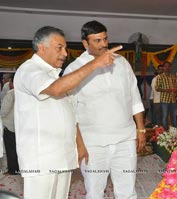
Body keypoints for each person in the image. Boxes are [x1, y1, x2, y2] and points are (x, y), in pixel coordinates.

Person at [14, 26, 121, 199]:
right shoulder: (29, 70)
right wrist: (95, 63)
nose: (64, 53)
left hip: (62, 155)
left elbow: (70, 113)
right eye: (59, 48)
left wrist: (79, 144)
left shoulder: (55, 76)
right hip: (41, 159)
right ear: (42, 47)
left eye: (65, 48)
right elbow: (55, 90)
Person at [63, 20, 145, 199]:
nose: (104, 44)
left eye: (105, 39)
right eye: (97, 41)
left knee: (128, 191)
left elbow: (134, 97)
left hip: (125, 139)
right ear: (85, 43)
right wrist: (79, 145)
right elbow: (69, 112)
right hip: (93, 143)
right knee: (94, 192)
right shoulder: (75, 69)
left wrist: (140, 128)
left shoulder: (121, 63)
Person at [0, 74, 19, 175]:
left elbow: (4, 110)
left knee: (10, 148)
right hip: (19, 125)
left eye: (10, 82)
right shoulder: (23, 93)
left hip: (9, 125)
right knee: (17, 148)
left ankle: (12, 170)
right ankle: (18, 168)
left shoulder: (11, 93)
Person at [156, 61, 177, 131]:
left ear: (170, 67)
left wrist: (175, 94)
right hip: (165, 100)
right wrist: (166, 90)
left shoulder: (173, 76)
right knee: (165, 116)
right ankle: (165, 131)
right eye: (165, 66)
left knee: (173, 116)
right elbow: (157, 88)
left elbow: (175, 87)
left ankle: (174, 132)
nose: (167, 68)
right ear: (163, 68)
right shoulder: (160, 77)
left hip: (173, 99)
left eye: (168, 66)